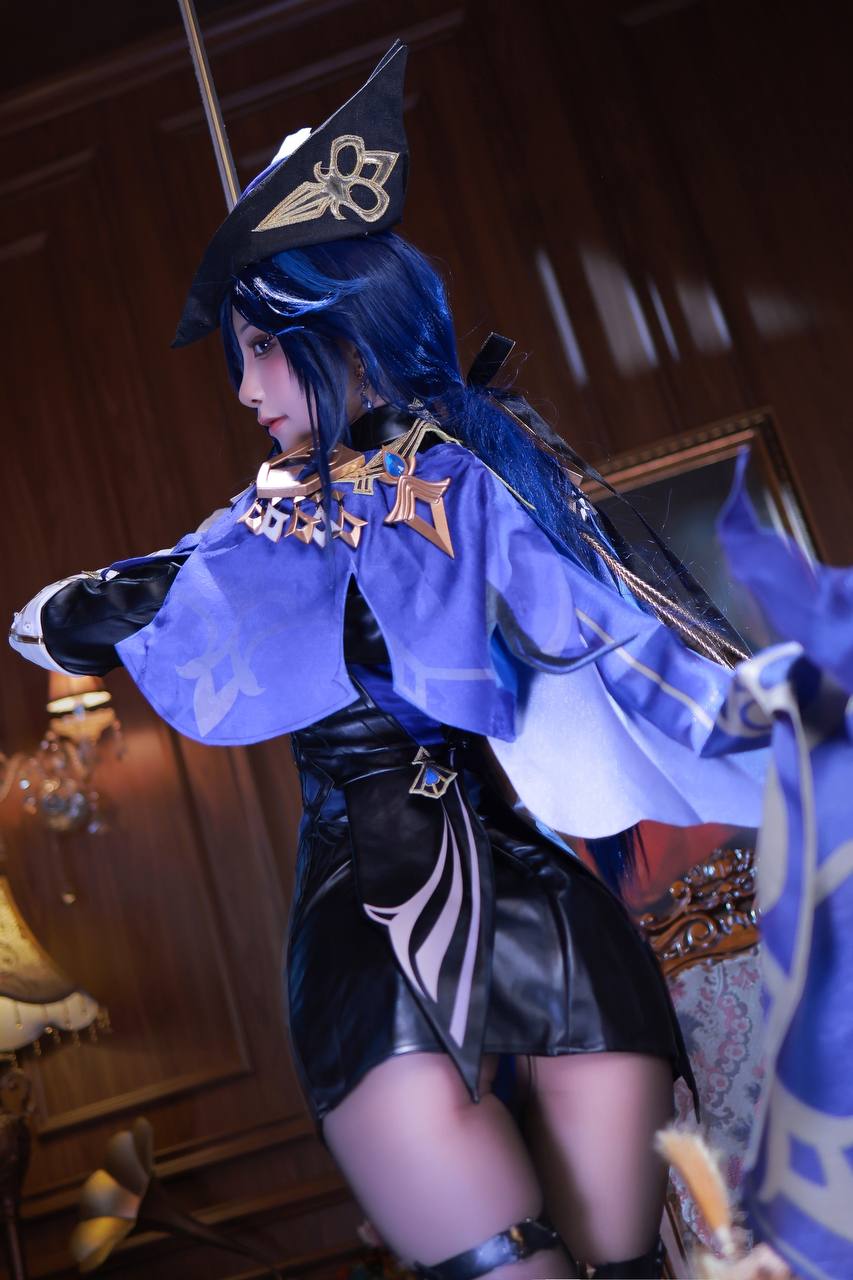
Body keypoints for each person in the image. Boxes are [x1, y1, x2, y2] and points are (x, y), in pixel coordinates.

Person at [8, 42, 768, 1280]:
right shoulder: (253, 532)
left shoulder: (468, 473)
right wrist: (115, 599)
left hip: (542, 908)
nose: (246, 389)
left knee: (633, 1261)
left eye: (264, 346)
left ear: (340, 326)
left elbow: (621, 642)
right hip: (368, 933)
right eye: (238, 356)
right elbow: (52, 622)